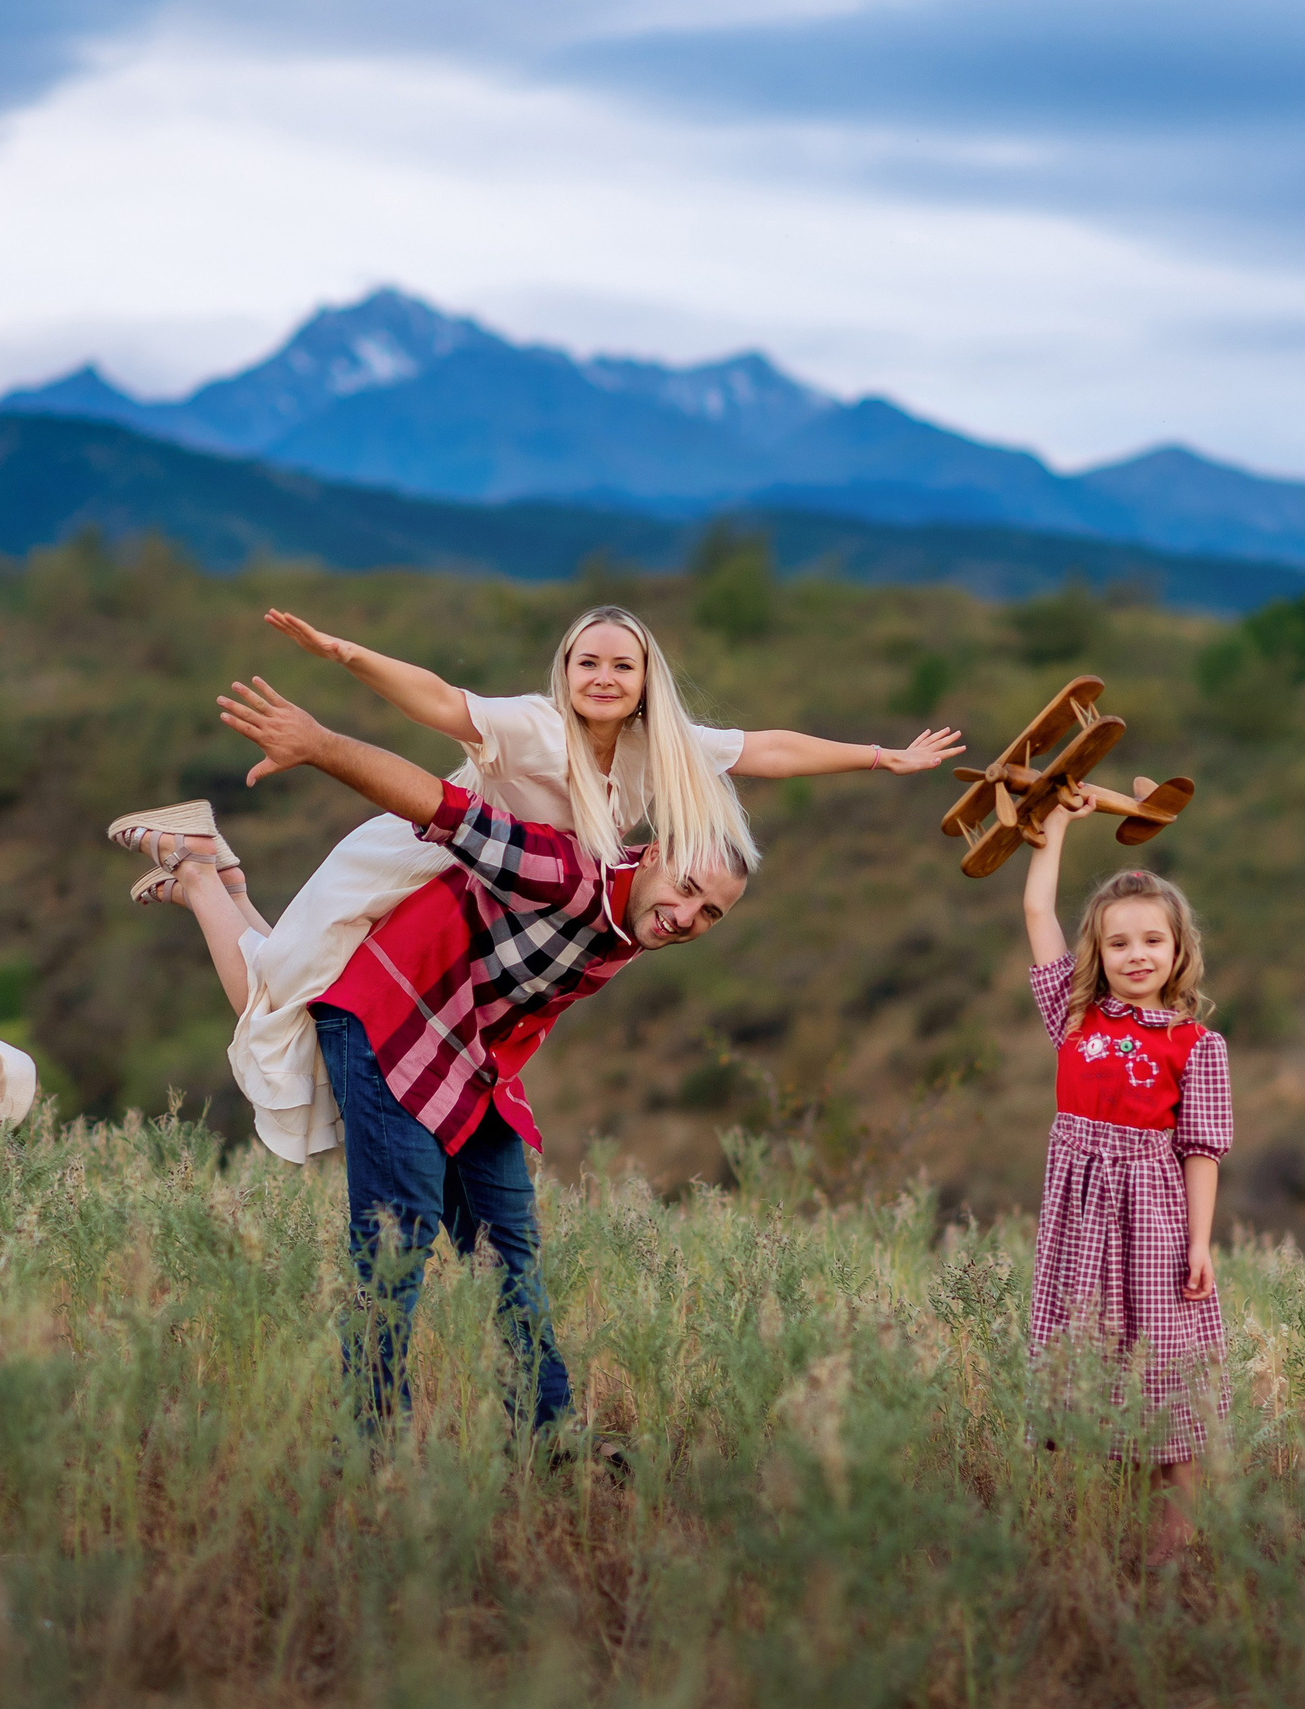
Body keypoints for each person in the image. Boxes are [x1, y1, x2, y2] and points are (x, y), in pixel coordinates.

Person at [108, 603, 961, 1163]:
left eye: (622, 667)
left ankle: (212, 870)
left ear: (643, 682)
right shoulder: (531, 725)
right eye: (588, 661)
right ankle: (203, 873)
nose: (603, 677)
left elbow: (768, 749)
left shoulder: (659, 747)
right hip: (421, 860)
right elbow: (439, 701)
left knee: (296, 997)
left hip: (499, 901)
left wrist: (882, 756)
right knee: (280, 992)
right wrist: (344, 653)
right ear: (566, 669)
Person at [162, 671, 750, 1444]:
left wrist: (879, 758)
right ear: (656, 853)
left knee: (506, 1247)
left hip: (470, 1061)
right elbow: (443, 809)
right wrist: (319, 743)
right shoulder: (570, 871)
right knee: (395, 1238)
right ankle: (368, 1444)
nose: (690, 916)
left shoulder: (637, 919)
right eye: (690, 888)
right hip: (391, 1013)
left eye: (711, 913)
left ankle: (547, 1434)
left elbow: (754, 750)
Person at [1020, 800, 1233, 1562]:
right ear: (1098, 953)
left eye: (1152, 940)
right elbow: (1036, 906)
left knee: (1163, 1362)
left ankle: (1176, 1546)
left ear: (1178, 950)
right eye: (1118, 943)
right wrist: (1057, 831)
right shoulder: (1075, 1017)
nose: (1135, 954)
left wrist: (1200, 1242)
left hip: (1154, 1217)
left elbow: (1202, 1149)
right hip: (1080, 1224)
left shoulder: (1196, 1044)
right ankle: (1093, 1540)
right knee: (1092, 1360)